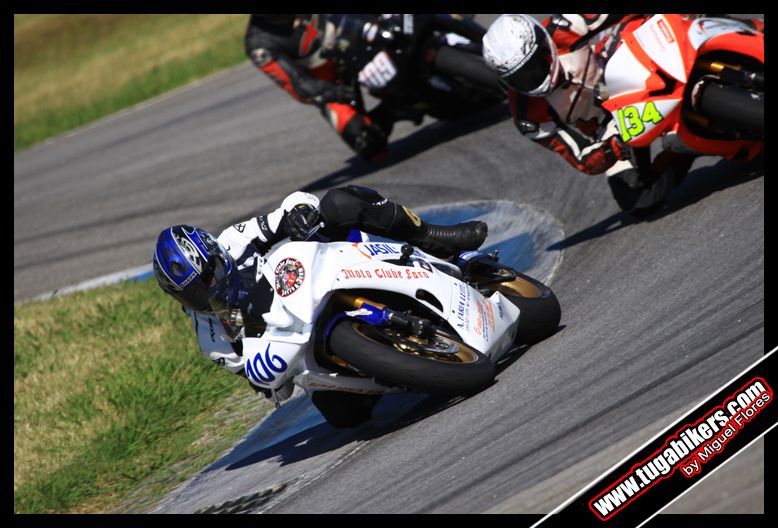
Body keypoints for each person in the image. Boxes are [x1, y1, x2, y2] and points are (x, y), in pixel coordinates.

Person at [152, 185, 488, 400]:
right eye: (190, 293)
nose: (204, 291)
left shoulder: (234, 240)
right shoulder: (210, 336)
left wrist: (299, 215)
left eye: (207, 276)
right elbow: (271, 388)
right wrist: (266, 381)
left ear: (215, 254)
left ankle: (435, 239)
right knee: (343, 418)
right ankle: (396, 366)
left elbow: (293, 204)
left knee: (339, 203)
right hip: (304, 340)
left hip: (317, 272)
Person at [481, 14, 763, 215]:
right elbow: (582, 159)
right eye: (521, 78)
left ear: (545, 44)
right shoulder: (529, 118)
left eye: (536, 65)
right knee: (637, 197)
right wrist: (615, 142)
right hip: (617, 122)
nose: (534, 78)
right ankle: (681, 148)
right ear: (506, 81)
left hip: (642, 55)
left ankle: (742, 33)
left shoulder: (569, 23)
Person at [245, 14, 392, 160]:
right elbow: (299, 85)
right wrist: (333, 92)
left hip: (362, 44)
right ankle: (389, 113)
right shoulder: (258, 44)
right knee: (370, 146)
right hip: (334, 83)